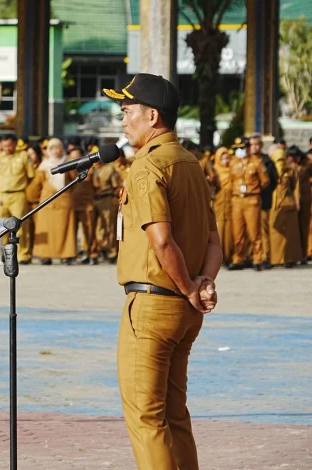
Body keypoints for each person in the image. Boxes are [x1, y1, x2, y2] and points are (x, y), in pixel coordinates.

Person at [103, 73, 221, 470]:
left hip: (154, 304)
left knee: (147, 418)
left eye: (127, 111)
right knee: (175, 414)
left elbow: (162, 241)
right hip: (184, 310)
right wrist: (204, 283)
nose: (123, 121)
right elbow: (213, 241)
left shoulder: (147, 165)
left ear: (151, 116)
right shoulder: (191, 163)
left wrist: (190, 287)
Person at [26, 138, 76, 265]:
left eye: (58, 148)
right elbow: (37, 185)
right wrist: (32, 198)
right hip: (47, 202)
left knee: (65, 229)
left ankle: (66, 255)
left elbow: (75, 181)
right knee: (46, 228)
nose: (55, 151)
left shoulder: (68, 164)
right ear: (48, 150)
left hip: (64, 202)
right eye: (52, 148)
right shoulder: (44, 166)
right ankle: (45, 255)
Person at [0, 135, 35, 264]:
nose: (7, 148)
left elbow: (30, 175)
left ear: (15, 144)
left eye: (10, 145)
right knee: (0, 226)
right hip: (2, 195)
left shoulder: (24, 156)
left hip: (18, 194)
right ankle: (0, 255)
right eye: (4, 146)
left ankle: (23, 255)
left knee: (20, 226)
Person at [228, 136, 269, 271]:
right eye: (237, 149)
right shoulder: (233, 163)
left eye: (242, 148)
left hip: (251, 199)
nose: (239, 151)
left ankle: (257, 259)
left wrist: (253, 189)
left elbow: (265, 181)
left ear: (247, 148)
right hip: (236, 200)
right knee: (238, 232)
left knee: (254, 232)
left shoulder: (256, 162)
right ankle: (238, 258)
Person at [268, 148, 303, 267]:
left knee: (291, 233)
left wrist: (297, 201)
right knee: (275, 233)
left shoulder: (291, 170)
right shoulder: (270, 169)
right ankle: (275, 259)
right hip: (274, 204)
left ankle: (290, 258)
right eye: (278, 159)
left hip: (288, 204)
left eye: (282, 159)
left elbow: (295, 186)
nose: (280, 162)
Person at [249, 134, 278, 269]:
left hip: (262, 201)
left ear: (261, 145)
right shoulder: (245, 160)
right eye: (251, 144)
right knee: (249, 230)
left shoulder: (267, 161)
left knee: (263, 229)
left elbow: (273, 180)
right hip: (247, 202)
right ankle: (251, 256)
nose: (254, 147)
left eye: (256, 144)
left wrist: (261, 191)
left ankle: (265, 257)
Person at [70, 146, 100, 265]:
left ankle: (92, 254)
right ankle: (71, 255)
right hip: (72, 204)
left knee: (90, 230)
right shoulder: (68, 171)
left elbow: (98, 185)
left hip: (87, 204)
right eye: (72, 157)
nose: (75, 159)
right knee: (71, 231)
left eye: (77, 156)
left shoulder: (91, 169)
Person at [93, 155, 122, 263]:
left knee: (109, 226)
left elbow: (115, 185)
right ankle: (101, 248)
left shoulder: (110, 169)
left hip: (106, 198)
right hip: (93, 199)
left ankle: (112, 251)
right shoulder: (92, 169)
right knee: (97, 227)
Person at [212, 147, 234, 262]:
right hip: (219, 203)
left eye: (227, 158)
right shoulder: (215, 170)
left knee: (230, 231)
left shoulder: (232, 170)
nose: (226, 161)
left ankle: (229, 255)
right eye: (223, 158)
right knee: (219, 229)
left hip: (231, 204)